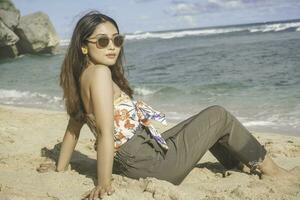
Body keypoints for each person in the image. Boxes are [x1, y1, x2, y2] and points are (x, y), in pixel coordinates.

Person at [37, 10, 298, 200]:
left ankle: (237, 165)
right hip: (146, 163)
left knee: (203, 122)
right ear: (84, 46)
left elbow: (73, 129)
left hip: (135, 156)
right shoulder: (101, 75)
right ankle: (273, 171)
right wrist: (103, 184)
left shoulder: (82, 76)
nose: (112, 47)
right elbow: (106, 134)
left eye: (117, 39)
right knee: (218, 115)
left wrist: (60, 168)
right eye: (102, 41)